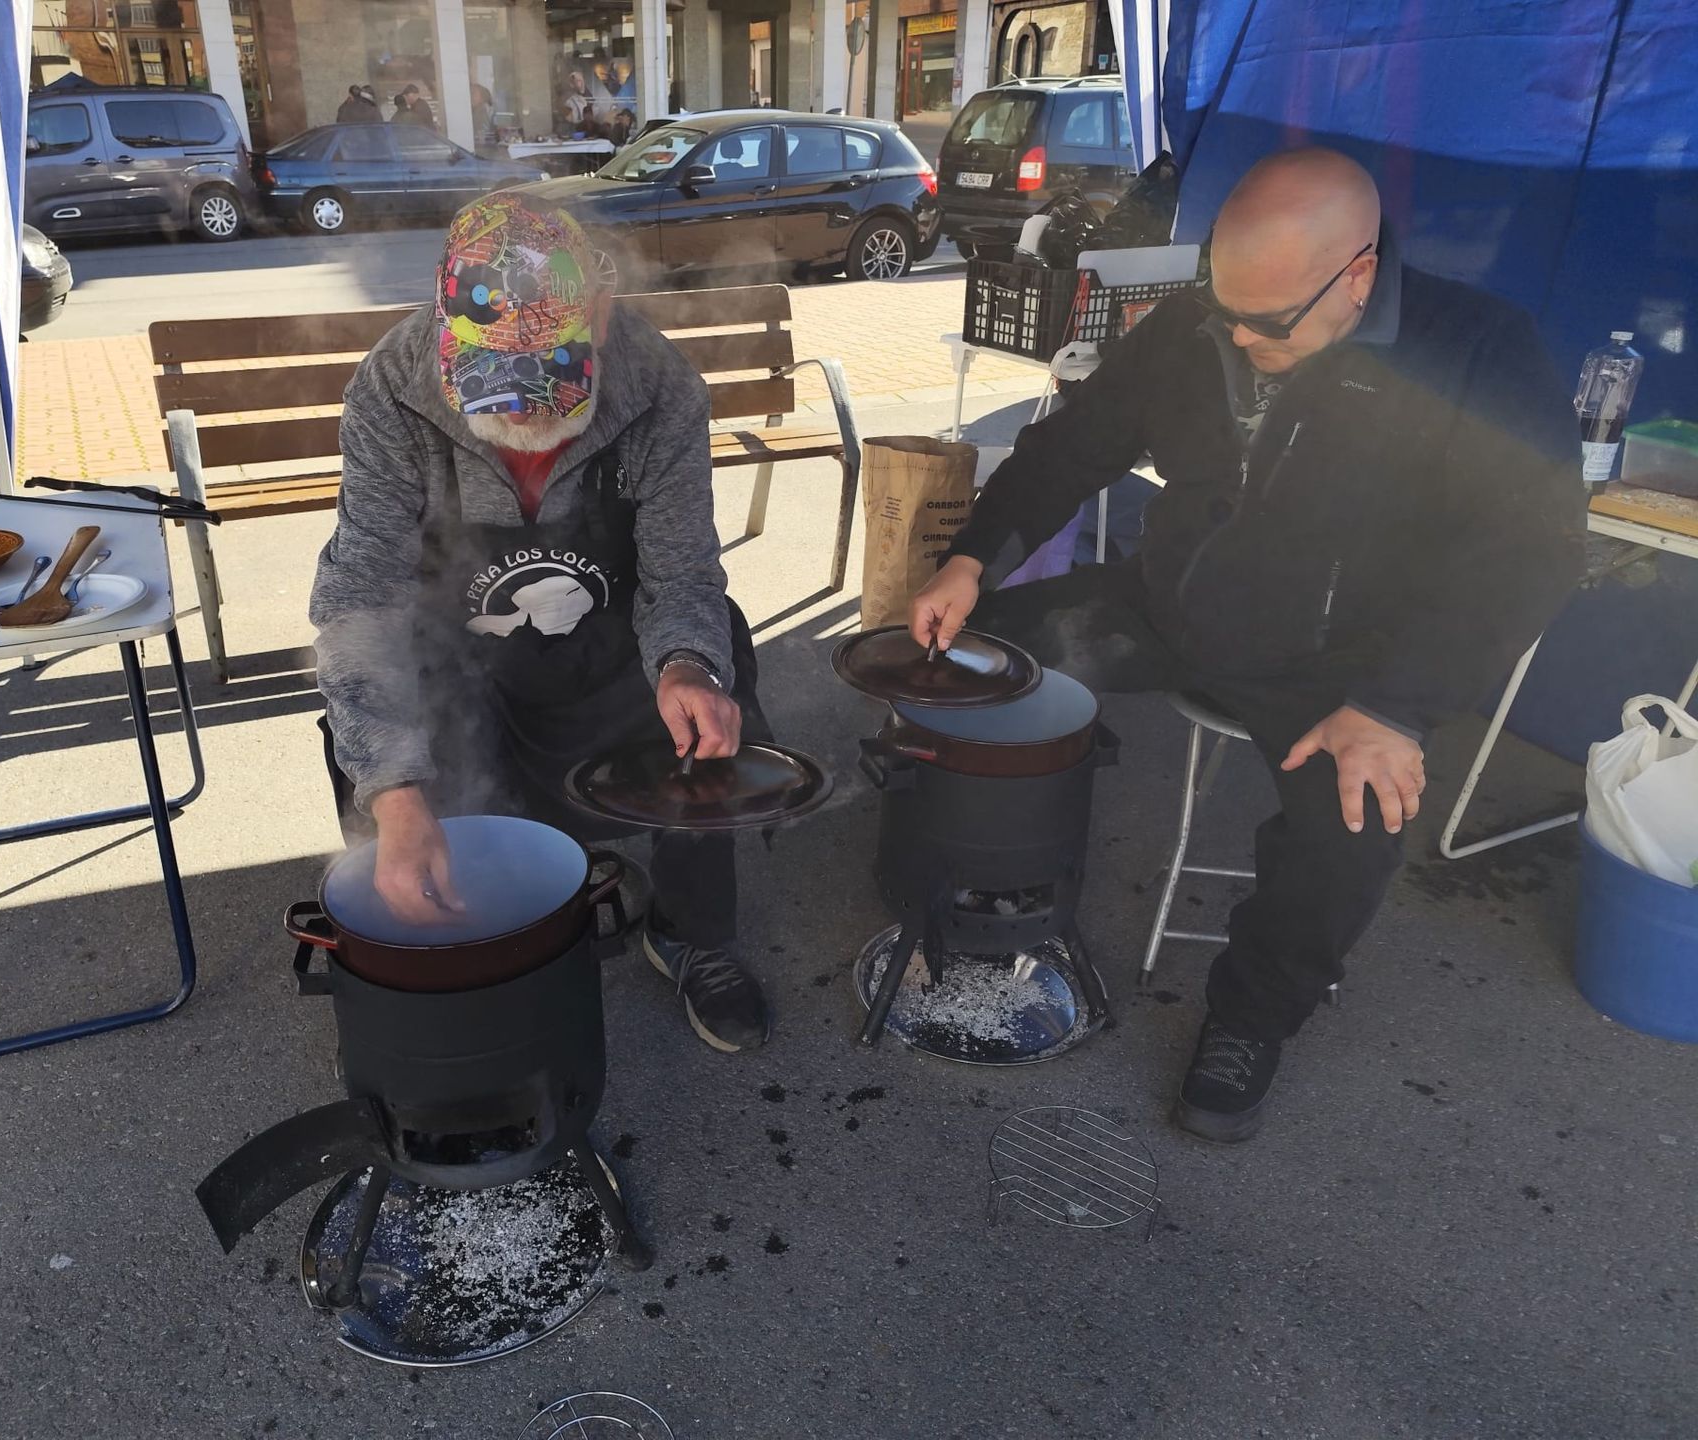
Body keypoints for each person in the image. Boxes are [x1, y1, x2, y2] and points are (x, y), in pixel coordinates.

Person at [910, 147, 1583, 1143]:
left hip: (1338, 663)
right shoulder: (1201, 322)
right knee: (965, 664)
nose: (1233, 334)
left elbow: (1531, 548)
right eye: (1221, 307)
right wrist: (975, 559)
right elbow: (1075, 444)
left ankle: (1253, 1016)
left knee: (1352, 828)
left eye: (1264, 323)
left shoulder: (1475, 350)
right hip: (1167, 606)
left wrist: (1397, 706)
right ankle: (958, 888)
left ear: (1358, 275)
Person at [312, 193, 775, 1054]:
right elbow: (360, 601)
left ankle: (691, 933)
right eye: (498, 392)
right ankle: (472, 940)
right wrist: (395, 797)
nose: (522, 423)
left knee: (717, 672)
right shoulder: (392, 387)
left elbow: (680, 574)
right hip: (468, 654)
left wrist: (685, 667)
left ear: (596, 316)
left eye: (543, 388)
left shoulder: (661, 388)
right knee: (387, 753)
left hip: (609, 641)